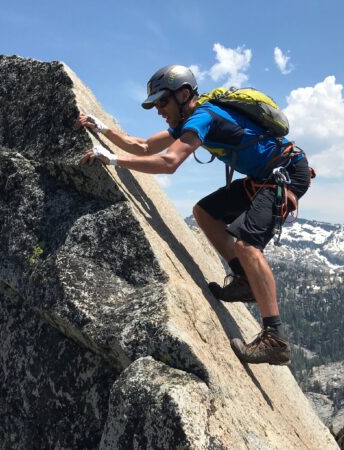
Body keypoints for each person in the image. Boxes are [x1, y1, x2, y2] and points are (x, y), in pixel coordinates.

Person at [78, 65, 311, 365]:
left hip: (286, 174)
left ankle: (275, 338)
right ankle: (244, 280)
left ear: (184, 94)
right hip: (263, 176)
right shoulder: (190, 119)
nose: (159, 110)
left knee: (248, 245)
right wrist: (103, 129)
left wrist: (112, 159)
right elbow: (145, 145)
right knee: (205, 212)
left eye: (163, 102)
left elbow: (169, 161)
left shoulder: (203, 115)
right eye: (156, 104)